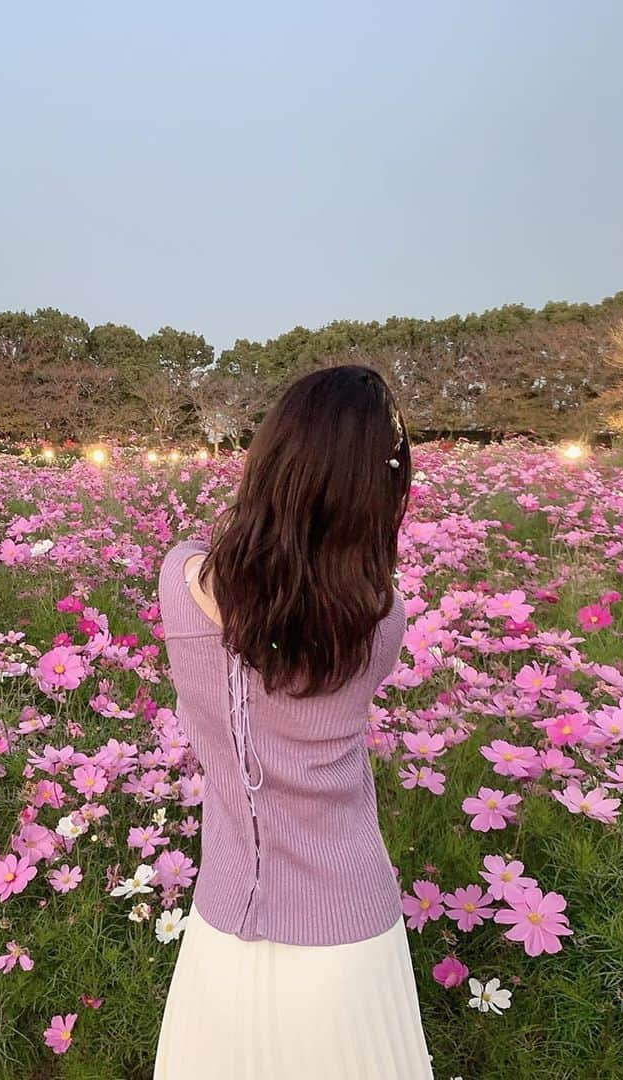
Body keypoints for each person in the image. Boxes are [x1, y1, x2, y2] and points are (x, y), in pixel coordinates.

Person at [153, 364, 434, 1079]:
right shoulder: (378, 618)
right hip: (349, 934)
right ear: (378, 491)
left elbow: (257, 613)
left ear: (270, 460)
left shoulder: (182, 582)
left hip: (222, 934)